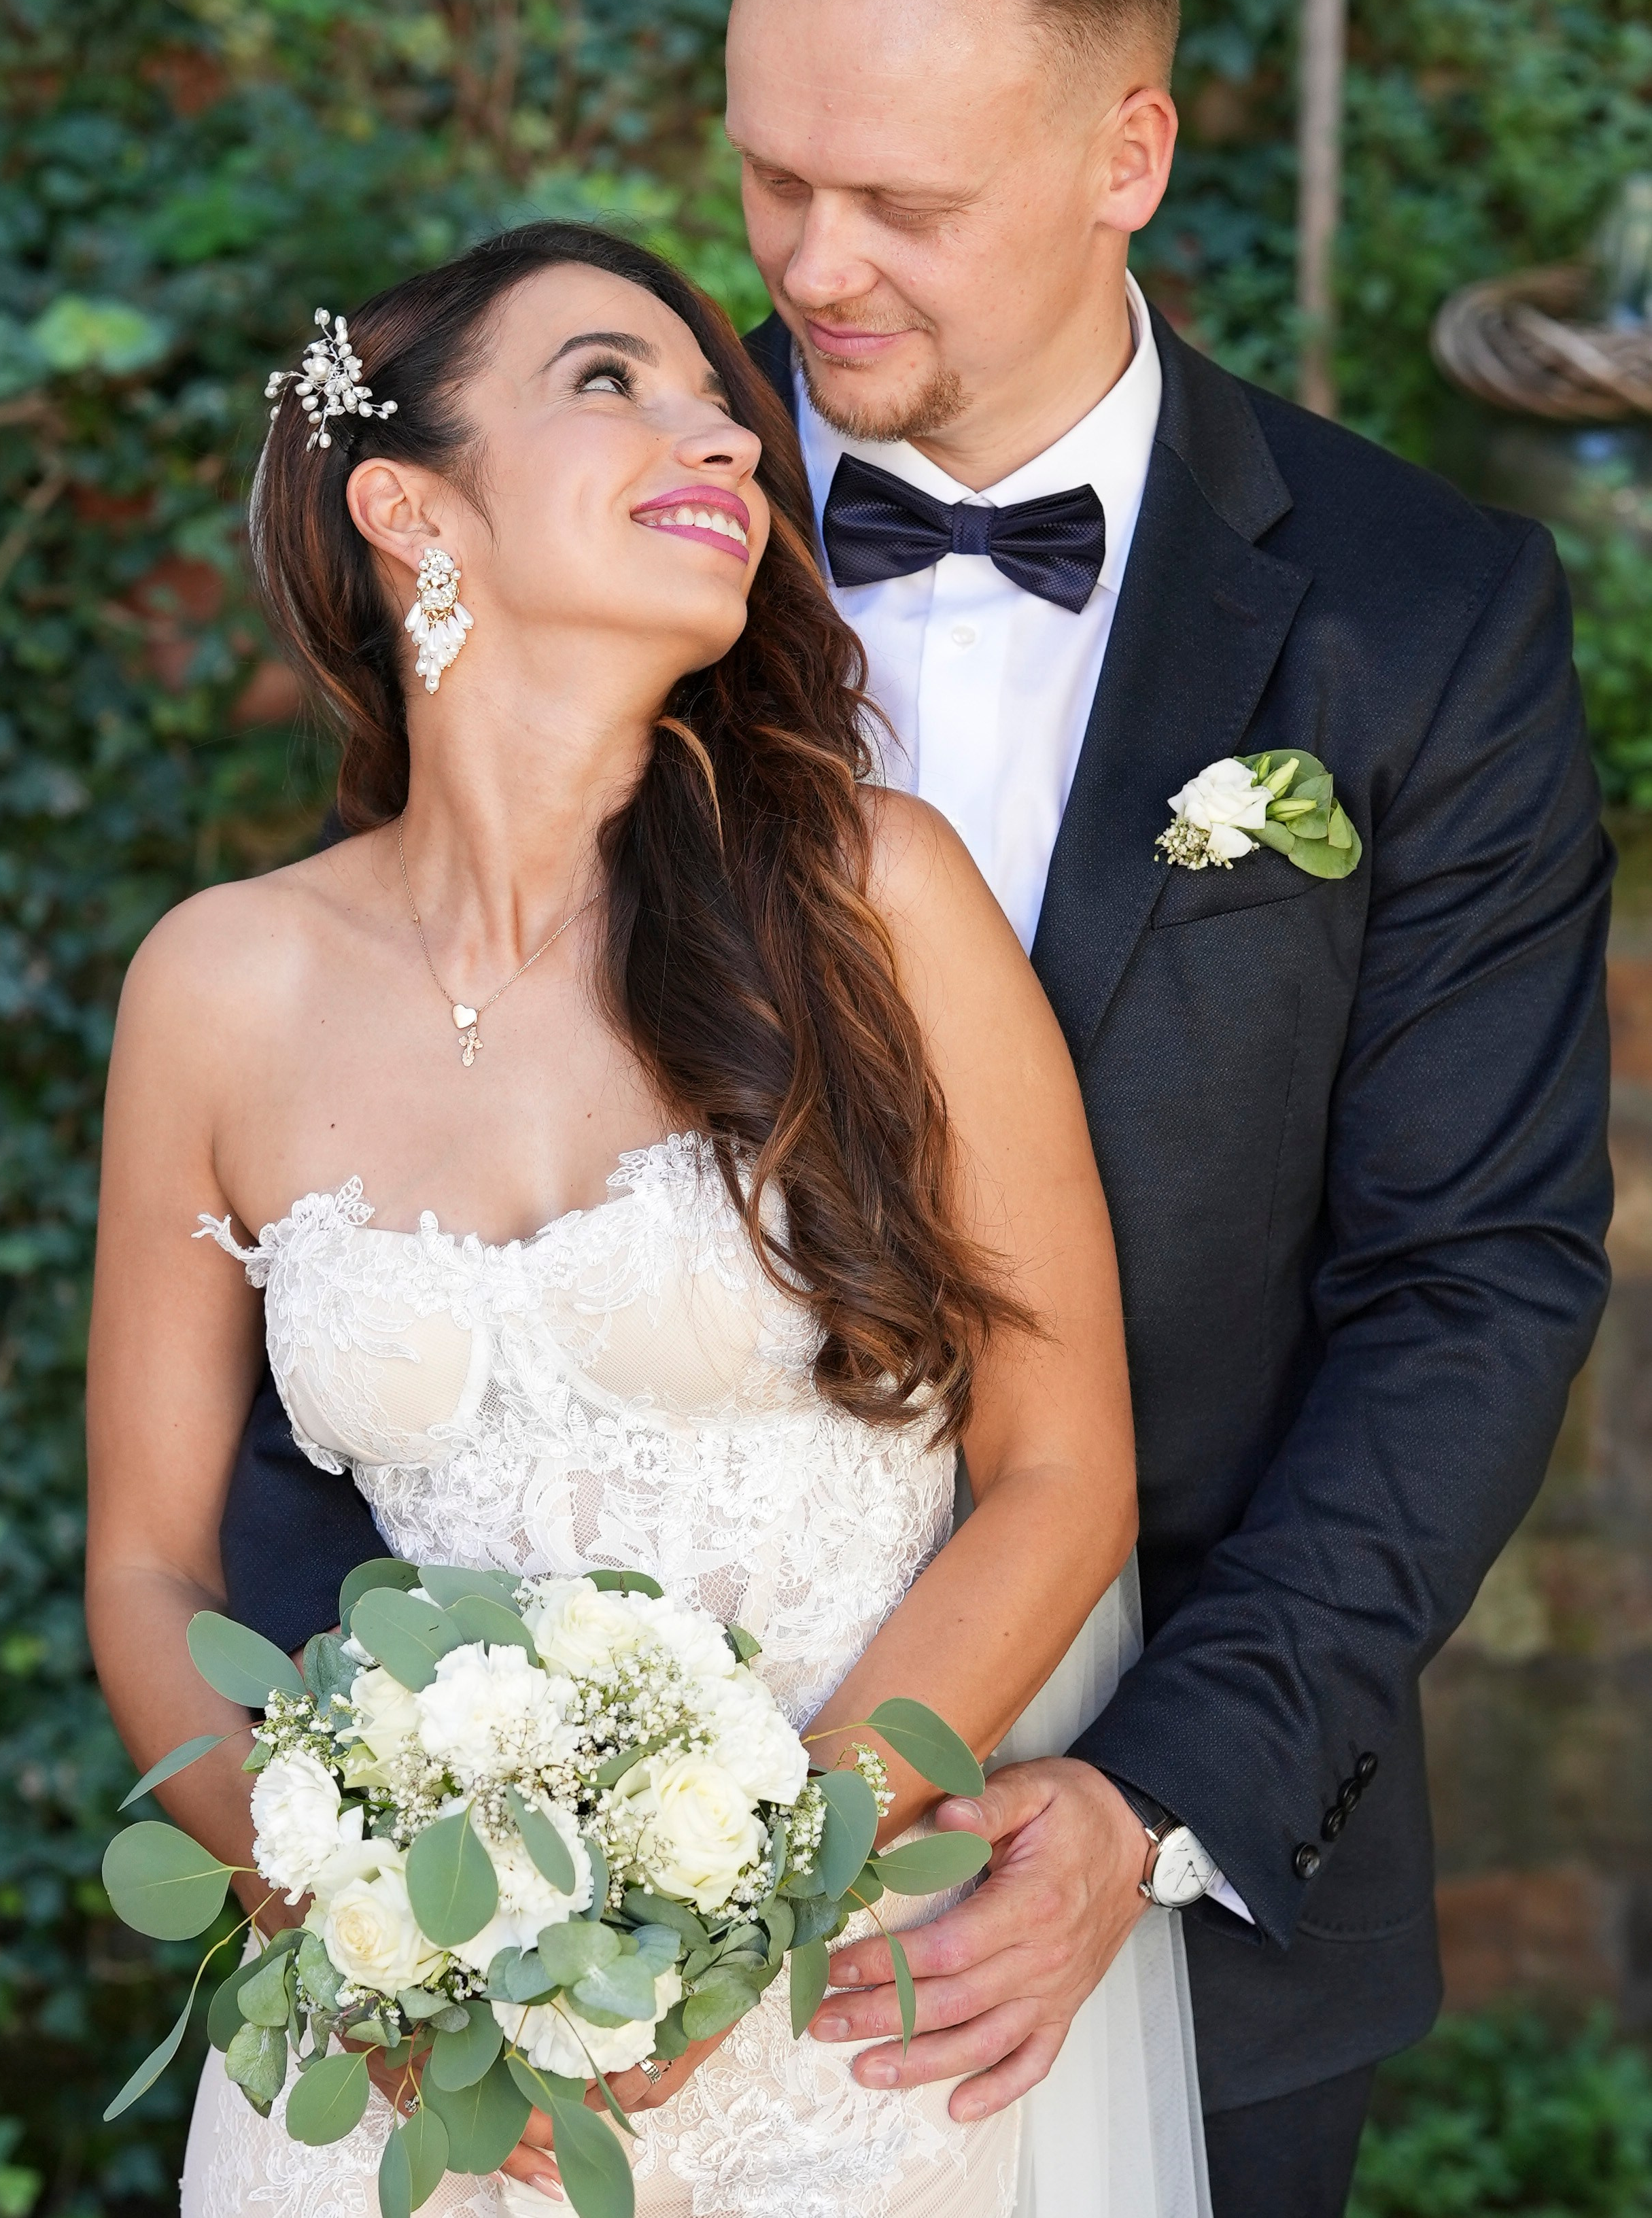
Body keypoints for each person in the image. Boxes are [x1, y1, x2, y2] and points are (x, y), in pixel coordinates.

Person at [206, 0, 1615, 2218]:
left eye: (908, 204)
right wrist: (392, 1826)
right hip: (526, 1946)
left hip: (1157, 1897)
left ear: (1129, 153)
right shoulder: (581, 513)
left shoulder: (1418, 622)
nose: (810, 270)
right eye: (770, 177)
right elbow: (322, 1166)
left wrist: (1154, 1790)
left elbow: (1467, 1285)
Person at [86, 220, 1207, 2218]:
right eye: (613, 378)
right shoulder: (215, 986)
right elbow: (153, 1565)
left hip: (848, 2020)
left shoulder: (876, 895)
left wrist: (754, 1913)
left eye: (723, 396)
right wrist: (363, 1942)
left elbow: (1062, 1476)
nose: (724, 428)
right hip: (416, 2078)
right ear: (407, 507)